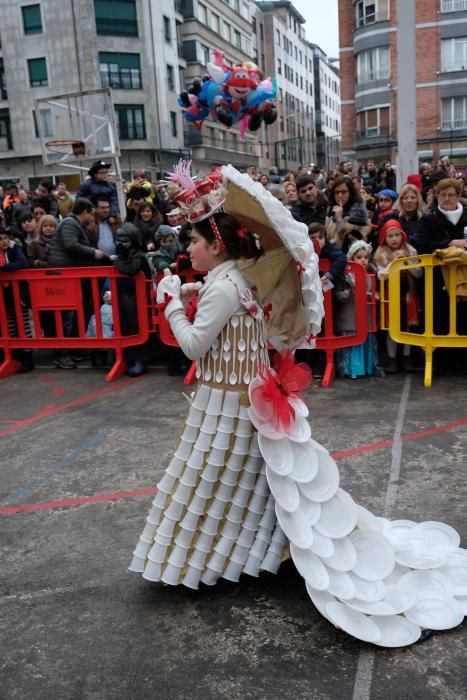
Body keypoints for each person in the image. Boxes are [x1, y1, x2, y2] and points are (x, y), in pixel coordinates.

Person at [129, 163, 467, 647]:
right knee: (240, 482)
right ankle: (241, 556)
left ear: (217, 245)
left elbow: (191, 345)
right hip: (243, 395)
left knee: (211, 480)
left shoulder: (222, 287)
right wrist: (191, 293)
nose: (189, 250)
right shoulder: (239, 279)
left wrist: (169, 303)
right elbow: (222, 311)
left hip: (225, 401)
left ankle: (214, 560)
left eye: (195, 242)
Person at [374, 219, 421, 373]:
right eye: (390, 236)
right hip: (390, 295)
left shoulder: (411, 250)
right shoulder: (381, 253)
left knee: (407, 327)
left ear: (402, 236)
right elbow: (381, 276)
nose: (394, 239)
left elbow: (419, 273)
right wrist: (393, 263)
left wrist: (407, 262)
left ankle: (407, 357)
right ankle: (392, 359)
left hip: (408, 294)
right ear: (384, 238)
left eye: (397, 235)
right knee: (391, 328)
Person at [334, 240, 380, 379]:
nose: (363, 260)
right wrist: (342, 294)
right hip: (350, 315)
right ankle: (351, 369)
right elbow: (336, 292)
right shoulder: (346, 275)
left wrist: (374, 295)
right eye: (359, 257)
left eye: (365, 257)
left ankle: (366, 367)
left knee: (365, 340)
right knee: (352, 340)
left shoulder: (370, 274)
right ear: (352, 258)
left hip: (365, 316)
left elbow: (373, 291)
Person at [114, 223, 153, 376]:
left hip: (138, 301)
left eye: (124, 241)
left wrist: (117, 262)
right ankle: (130, 358)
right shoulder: (125, 256)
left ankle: (140, 360)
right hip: (126, 299)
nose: (120, 244)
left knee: (137, 328)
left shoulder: (139, 256)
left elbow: (131, 270)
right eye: (118, 241)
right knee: (127, 328)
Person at [0, 230, 34, 371]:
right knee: (10, 326)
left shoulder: (14, 248)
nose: (4, 241)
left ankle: (28, 358)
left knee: (24, 325)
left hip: (17, 294)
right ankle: (15, 356)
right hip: (4, 296)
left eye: (6, 237)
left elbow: (22, 263)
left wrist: (3, 269)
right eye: (0, 239)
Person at [325, 175, 370, 251]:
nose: (340, 195)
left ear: (350, 192)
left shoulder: (358, 215)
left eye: (343, 192)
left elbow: (350, 244)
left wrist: (339, 220)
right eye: (337, 192)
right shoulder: (331, 211)